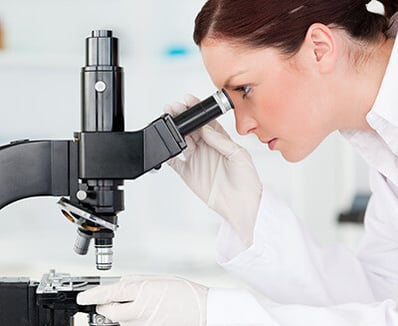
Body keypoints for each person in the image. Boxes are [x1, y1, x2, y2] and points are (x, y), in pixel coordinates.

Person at [77, 0, 398, 324]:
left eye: (245, 88)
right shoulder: (383, 146)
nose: (242, 127)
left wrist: (213, 314)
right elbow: (380, 293)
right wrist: (244, 210)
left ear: (319, 48)